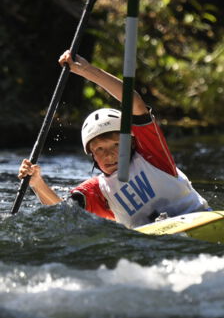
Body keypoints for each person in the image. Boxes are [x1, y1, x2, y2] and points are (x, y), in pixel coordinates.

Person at [18, 50, 209, 228]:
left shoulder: (153, 155)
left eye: (116, 144)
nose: (109, 155)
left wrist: (86, 71)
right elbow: (63, 213)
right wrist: (37, 184)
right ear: (91, 154)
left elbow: (134, 102)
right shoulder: (98, 190)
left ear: (132, 142)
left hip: (198, 217)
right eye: (99, 149)